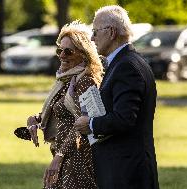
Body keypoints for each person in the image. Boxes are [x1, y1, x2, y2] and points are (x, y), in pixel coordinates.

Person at [74, 5, 160, 189]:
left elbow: (125, 118)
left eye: (95, 31)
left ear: (111, 32)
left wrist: (89, 124)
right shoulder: (124, 62)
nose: (92, 38)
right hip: (123, 168)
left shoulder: (126, 67)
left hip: (126, 172)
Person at [26, 21, 103, 189]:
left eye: (68, 51)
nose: (62, 55)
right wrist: (36, 120)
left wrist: (59, 156)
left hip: (79, 160)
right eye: (60, 50)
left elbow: (86, 123)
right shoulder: (65, 81)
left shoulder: (87, 81)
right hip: (63, 155)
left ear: (84, 54)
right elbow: (59, 111)